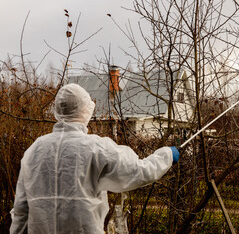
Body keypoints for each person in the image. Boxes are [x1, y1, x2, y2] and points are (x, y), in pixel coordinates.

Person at [10, 83, 180, 234]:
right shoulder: (95, 148)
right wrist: (166, 156)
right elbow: (138, 171)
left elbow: (21, 211)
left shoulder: (35, 150)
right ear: (85, 110)